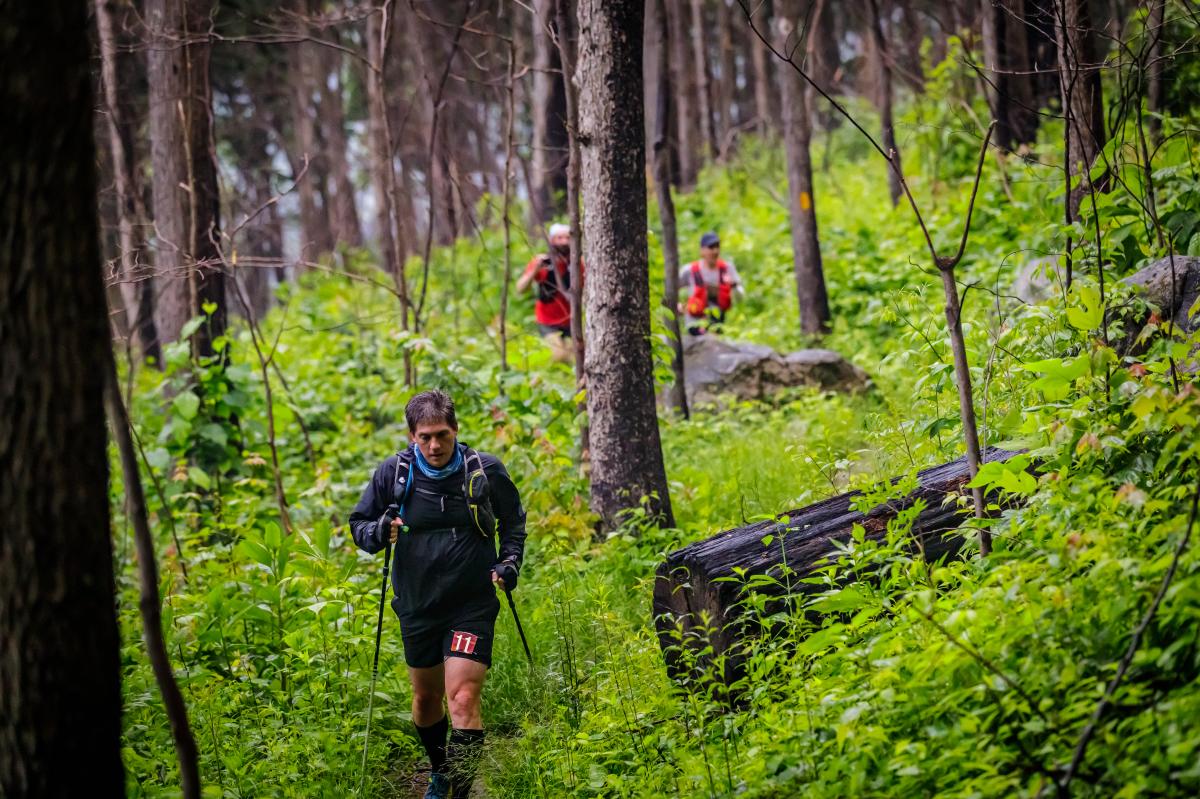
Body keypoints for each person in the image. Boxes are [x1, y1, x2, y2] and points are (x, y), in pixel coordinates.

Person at [349, 390, 527, 799]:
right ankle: (440, 770)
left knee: (462, 696)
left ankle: (462, 792)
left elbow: (513, 521)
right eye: (425, 436)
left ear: (456, 430)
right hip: (417, 604)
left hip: (471, 603)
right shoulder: (393, 474)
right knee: (426, 698)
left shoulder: (484, 470)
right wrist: (379, 532)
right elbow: (359, 524)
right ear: (412, 435)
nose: (434, 445)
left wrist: (509, 562)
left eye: (442, 435)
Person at [516, 222, 581, 363]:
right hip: (547, 321)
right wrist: (535, 270)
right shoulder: (542, 263)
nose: (564, 242)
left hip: (571, 320)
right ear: (551, 240)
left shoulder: (577, 264)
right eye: (559, 238)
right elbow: (521, 288)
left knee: (574, 359)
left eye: (567, 238)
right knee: (558, 355)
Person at [678, 231, 745, 336]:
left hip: (718, 324)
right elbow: (671, 290)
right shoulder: (690, 270)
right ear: (702, 250)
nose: (715, 251)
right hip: (694, 324)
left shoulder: (727, 268)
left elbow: (740, 298)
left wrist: (734, 286)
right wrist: (678, 306)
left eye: (717, 247)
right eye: (711, 247)